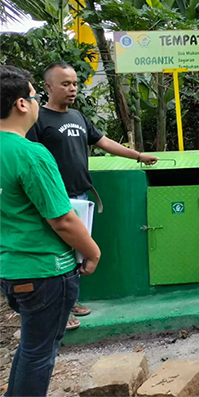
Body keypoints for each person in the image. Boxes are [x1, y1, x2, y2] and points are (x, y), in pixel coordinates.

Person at [27, 62, 158, 328]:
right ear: (48, 87)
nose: (72, 88)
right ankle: (58, 310)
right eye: (65, 84)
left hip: (81, 196)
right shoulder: (37, 120)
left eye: (74, 83)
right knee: (56, 253)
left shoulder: (78, 117)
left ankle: (70, 300)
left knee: (76, 252)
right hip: (53, 198)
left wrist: (138, 156)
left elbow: (104, 142)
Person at [0, 66, 101, 397]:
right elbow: (63, 220)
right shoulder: (30, 154)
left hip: (10, 269)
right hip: (45, 270)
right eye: (35, 96)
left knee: (31, 348)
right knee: (39, 354)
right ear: (21, 104)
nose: (37, 102)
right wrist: (93, 251)